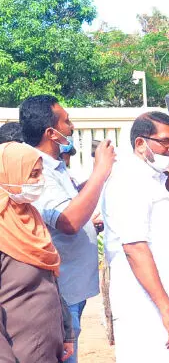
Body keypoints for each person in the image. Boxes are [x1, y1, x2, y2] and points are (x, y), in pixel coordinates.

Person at [19, 95, 116, 363]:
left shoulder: (55, 166)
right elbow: (69, 221)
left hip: (72, 288)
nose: (71, 127)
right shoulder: (35, 169)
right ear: (51, 133)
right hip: (60, 293)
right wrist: (100, 171)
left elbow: (71, 204)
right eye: (67, 122)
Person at [102, 111, 169, 362]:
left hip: (164, 302)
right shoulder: (129, 180)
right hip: (147, 307)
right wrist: (167, 311)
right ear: (140, 144)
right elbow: (135, 248)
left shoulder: (150, 179)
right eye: (165, 141)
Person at [0, 141, 75, 363]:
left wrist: (66, 331)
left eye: (41, 173)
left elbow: (50, 279)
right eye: (33, 175)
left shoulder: (32, 216)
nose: (40, 181)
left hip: (49, 349)